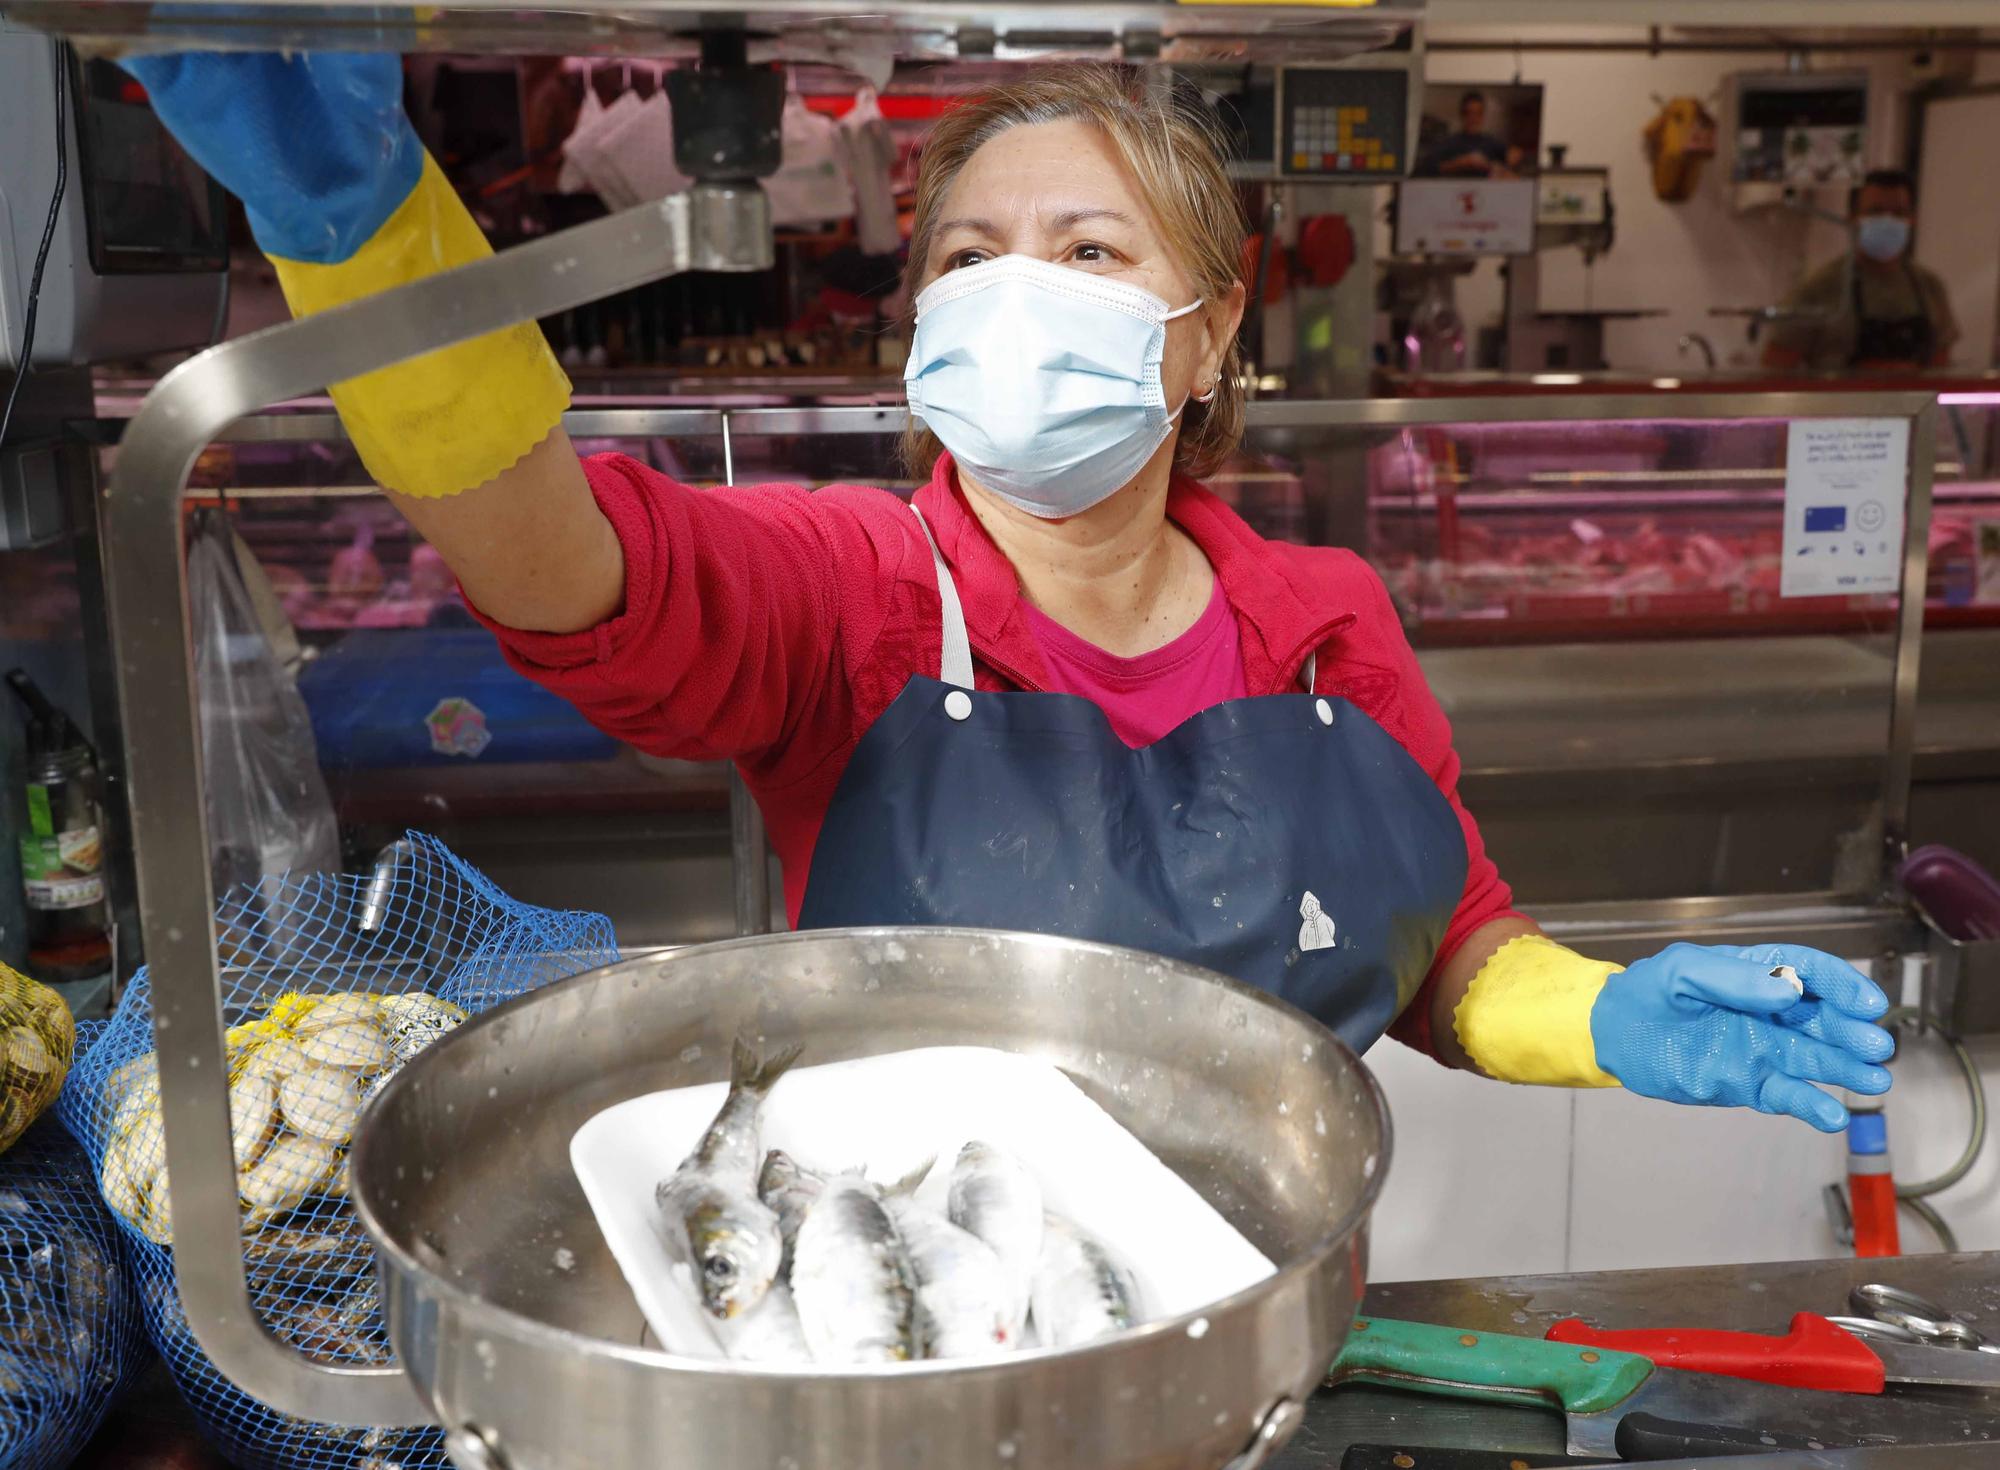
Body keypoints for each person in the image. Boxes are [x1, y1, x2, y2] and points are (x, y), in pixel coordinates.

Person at [125, 56, 1892, 1131]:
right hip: (913, 1330)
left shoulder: (1323, 616)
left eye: (1090, 253)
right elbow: (570, 570)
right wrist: (370, 239)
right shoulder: (859, 590)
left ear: (1203, 340)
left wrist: (1595, 1012)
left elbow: (1449, 953)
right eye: (968, 257)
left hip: (1250, 1321)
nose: (1013, 293)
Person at [1763, 169, 1959, 373]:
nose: (1888, 220)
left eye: (1899, 213)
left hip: (1915, 405)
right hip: (1842, 404)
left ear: (1912, 219)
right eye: (1876, 211)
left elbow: (1940, 363)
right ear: (1852, 219)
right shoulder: (1820, 288)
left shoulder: (1930, 286)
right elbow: (1776, 365)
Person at [1421, 91, 1517, 179]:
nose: (1473, 118)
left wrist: (1511, 157)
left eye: (1478, 113)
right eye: (1469, 113)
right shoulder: (1450, 143)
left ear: (1482, 115)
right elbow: (1428, 168)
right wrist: (1459, 164)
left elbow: (1511, 156)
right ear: (1462, 114)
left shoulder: (1490, 142)